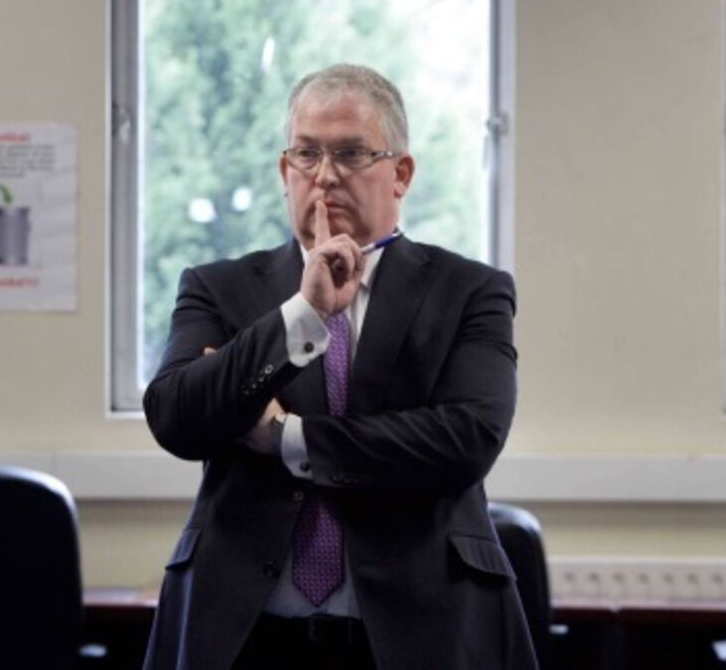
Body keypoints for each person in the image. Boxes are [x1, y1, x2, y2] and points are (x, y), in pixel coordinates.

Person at [142, 63, 534, 670]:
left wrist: (286, 437)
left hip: (416, 634)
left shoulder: (470, 291)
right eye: (306, 154)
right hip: (244, 635)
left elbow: (466, 439)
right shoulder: (218, 289)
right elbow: (177, 417)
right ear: (285, 171)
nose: (324, 175)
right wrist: (304, 314)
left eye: (350, 153)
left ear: (400, 174)